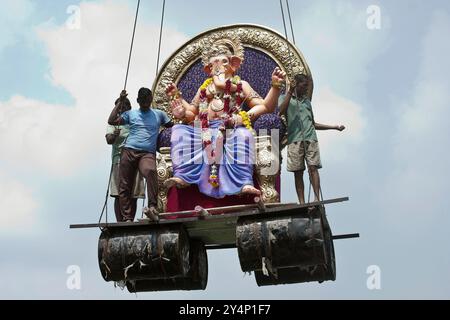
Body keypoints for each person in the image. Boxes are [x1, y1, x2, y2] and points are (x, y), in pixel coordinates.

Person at [164, 35, 286, 199]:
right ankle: (183, 176)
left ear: (233, 65)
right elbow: (192, 114)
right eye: (214, 63)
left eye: (224, 62)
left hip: (231, 128)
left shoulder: (241, 85)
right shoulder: (204, 89)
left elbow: (264, 107)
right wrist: (179, 106)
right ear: (208, 69)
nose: (219, 67)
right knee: (179, 131)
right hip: (205, 129)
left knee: (244, 136)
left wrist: (275, 88)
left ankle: (244, 182)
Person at [108, 88, 172, 222]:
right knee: (124, 184)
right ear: (138, 101)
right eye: (143, 101)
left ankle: (153, 206)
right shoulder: (131, 114)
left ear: (151, 100)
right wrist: (120, 101)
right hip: (129, 151)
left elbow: (171, 125)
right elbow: (112, 120)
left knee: (150, 171)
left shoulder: (158, 114)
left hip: (147, 153)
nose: (145, 104)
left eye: (148, 101)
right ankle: (127, 217)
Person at [279, 74, 345, 204]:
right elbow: (281, 111)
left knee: (313, 168)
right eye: (304, 86)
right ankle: (302, 202)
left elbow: (313, 123)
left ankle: (316, 198)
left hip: (310, 139)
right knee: (298, 172)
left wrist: (334, 127)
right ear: (296, 85)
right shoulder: (284, 98)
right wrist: (290, 91)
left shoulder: (307, 102)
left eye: (307, 87)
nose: (306, 89)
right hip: (294, 140)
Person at [105, 96, 145, 222]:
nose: (122, 109)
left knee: (133, 193)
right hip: (119, 161)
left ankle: (130, 220)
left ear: (129, 108)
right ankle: (120, 221)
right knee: (119, 193)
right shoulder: (114, 124)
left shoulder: (134, 122)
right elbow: (109, 140)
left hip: (135, 160)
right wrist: (114, 136)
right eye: (119, 107)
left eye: (124, 107)